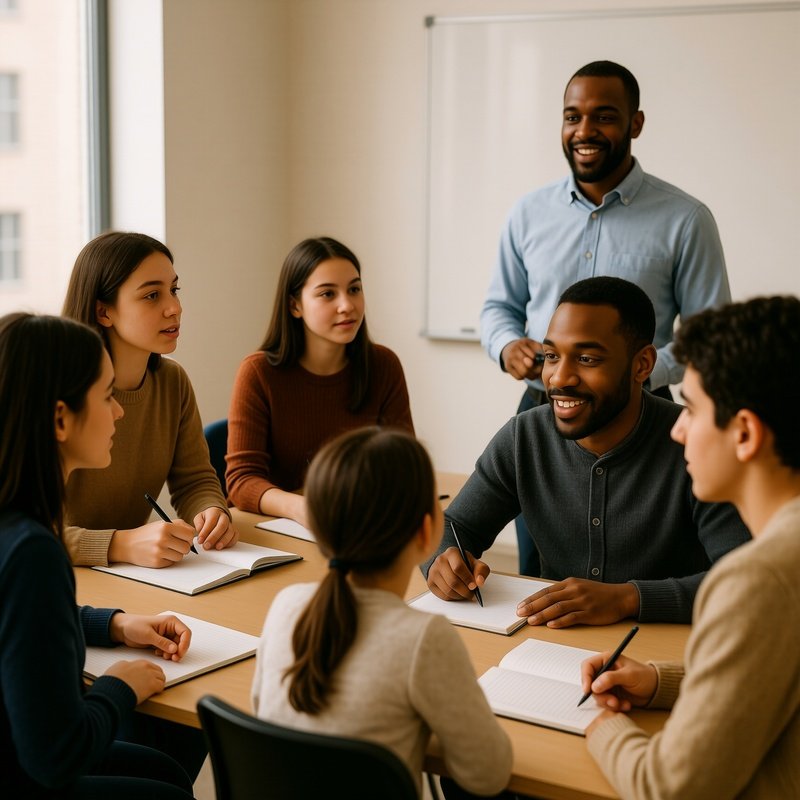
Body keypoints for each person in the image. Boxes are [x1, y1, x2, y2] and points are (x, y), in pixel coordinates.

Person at [480, 60, 731, 574]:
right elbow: (498, 308)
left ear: (635, 124)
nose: (585, 131)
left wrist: (632, 372)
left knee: (647, 565)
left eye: (604, 116)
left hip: (643, 415)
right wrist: (508, 345)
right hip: (542, 408)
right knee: (542, 567)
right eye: (572, 116)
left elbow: (710, 336)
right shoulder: (527, 213)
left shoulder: (685, 218)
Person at [425, 277, 750, 626]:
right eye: (551, 356)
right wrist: (442, 563)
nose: (560, 377)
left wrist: (628, 598)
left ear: (642, 365)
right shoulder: (524, 436)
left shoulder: (693, 443)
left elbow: (743, 580)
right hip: (550, 649)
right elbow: (454, 525)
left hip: (662, 654)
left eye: (586, 359)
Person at [582, 296, 800, 798]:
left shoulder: (758, 579)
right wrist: (664, 681)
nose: (677, 429)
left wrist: (602, 730)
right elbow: (775, 670)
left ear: (744, 433)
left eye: (693, 409)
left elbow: (670, 788)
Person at [251, 427, 512, 798]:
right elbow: (488, 774)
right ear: (427, 533)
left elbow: (265, 716)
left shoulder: (286, 606)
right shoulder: (425, 639)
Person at [0, 312, 195, 799]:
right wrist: (119, 686)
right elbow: (55, 755)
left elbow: (20, 625)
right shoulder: (33, 552)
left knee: (165, 771)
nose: (120, 412)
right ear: (61, 418)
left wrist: (113, 624)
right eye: (107, 396)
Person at [62, 231, 238, 568]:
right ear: (103, 311)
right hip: (61, 582)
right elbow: (16, 530)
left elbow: (194, 480)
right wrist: (119, 544)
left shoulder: (172, 382)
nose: (175, 307)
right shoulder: (55, 392)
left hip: (133, 581)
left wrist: (211, 512)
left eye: (174, 290)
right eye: (152, 295)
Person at [226, 236, 414, 526]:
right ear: (295, 306)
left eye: (354, 289)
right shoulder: (259, 372)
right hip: (279, 531)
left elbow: (403, 465)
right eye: (328, 294)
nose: (347, 306)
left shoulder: (383, 365)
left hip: (357, 523)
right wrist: (303, 508)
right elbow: (241, 481)